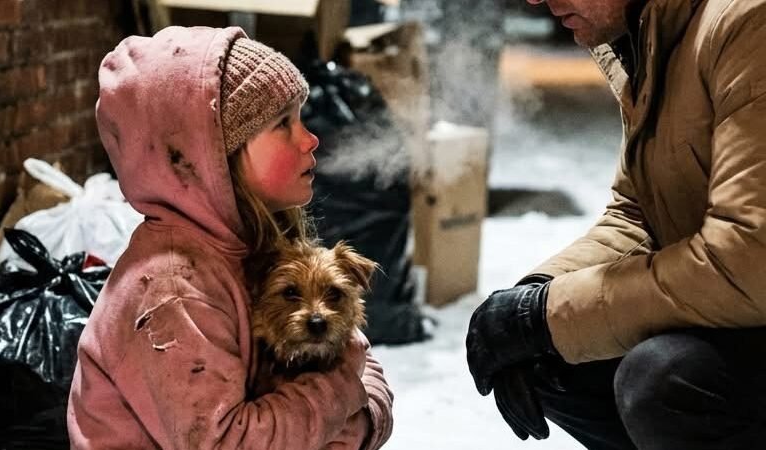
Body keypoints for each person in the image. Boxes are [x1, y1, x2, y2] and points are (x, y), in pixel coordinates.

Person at [67, 26, 393, 450]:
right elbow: (226, 442)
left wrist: (360, 421)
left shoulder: (256, 243)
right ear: (214, 158)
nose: (310, 139)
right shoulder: (173, 287)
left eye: (301, 117)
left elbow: (357, 362)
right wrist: (341, 403)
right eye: (282, 124)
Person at [466, 0, 766, 448]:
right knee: (549, 361)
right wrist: (532, 298)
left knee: (666, 380)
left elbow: (748, 260)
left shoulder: (747, 23)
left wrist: (542, 318)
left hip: (749, 292)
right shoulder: (648, 34)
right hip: (738, 305)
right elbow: (640, 213)